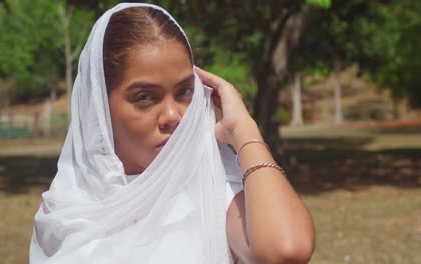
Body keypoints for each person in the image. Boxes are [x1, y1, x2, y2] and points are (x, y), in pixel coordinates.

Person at [30, 3, 315, 263]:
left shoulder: (211, 187)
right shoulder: (67, 209)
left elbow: (286, 250)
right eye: (144, 97)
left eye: (184, 91)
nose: (172, 116)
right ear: (100, 106)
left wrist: (243, 129)